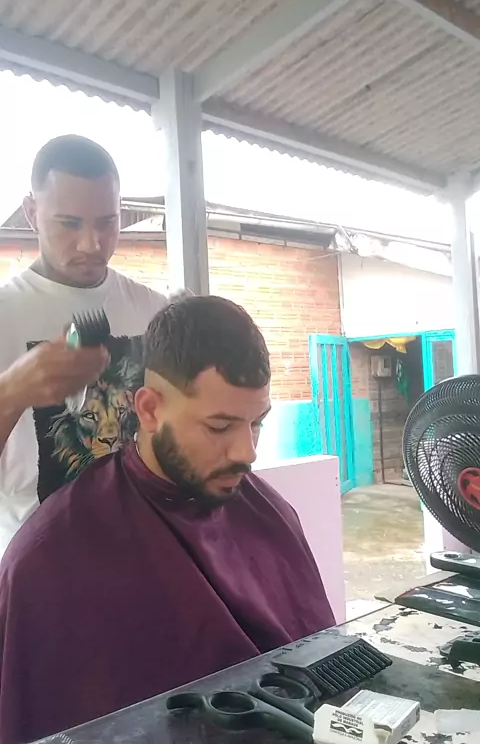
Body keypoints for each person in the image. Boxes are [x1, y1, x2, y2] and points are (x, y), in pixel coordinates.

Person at [0, 295, 335, 744]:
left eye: (257, 423)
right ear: (150, 409)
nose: (247, 452)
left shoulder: (268, 512)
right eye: (219, 427)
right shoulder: (50, 558)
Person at [0, 134, 166, 555]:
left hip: (142, 555)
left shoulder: (154, 311)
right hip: (39, 570)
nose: (92, 244)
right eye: (70, 224)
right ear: (32, 212)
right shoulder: (4, 315)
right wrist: (11, 392)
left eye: (107, 223)